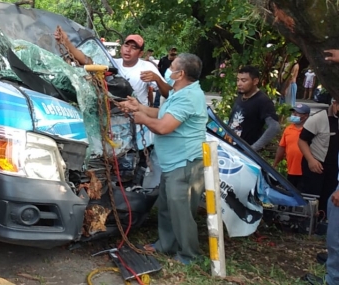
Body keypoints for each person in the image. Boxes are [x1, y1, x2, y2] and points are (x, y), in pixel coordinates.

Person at [118, 53, 207, 264]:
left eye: (172, 67)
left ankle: (189, 255)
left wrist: (142, 119)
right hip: (172, 161)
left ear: (180, 73)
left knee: (181, 210)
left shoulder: (189, 97)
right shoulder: (180, 92)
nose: (168, 70)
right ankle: (165, 245)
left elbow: (164, 127)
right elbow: (162, 113)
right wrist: (139, 107)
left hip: (185, 162)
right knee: (167, 207)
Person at [54, 29, 167, 106]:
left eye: (134, 48)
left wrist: (157, 79)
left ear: (140, 53)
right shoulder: (112, 63)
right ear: (122, 47)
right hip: (114, 120)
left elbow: (168, 94)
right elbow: (87, 60)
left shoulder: (147, 67)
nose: (128, 50)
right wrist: (66, 42)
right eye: (126, 45)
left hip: (137, 123)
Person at [302, 49, 339, 285]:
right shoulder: (321, 117)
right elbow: (302, 139)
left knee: (336, 238)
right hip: (324, 170)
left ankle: (333, 279)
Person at [227, 66, 280, 151]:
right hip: (230, 147)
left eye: (244, 80)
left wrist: (252, 149)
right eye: (238, 80)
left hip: (244, 154)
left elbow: (274, 127)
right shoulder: (241, 95)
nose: (239, 83)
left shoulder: (263, 101)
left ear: (255, 81)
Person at [273, 103, 310, 189]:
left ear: (306, 116)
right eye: (293, 113)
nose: (294, 115)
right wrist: (275, 164)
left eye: (297, 113)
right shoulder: (288, 129)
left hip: (306, 172)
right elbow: (281, 148)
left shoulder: (309, 130)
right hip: (291, 170)